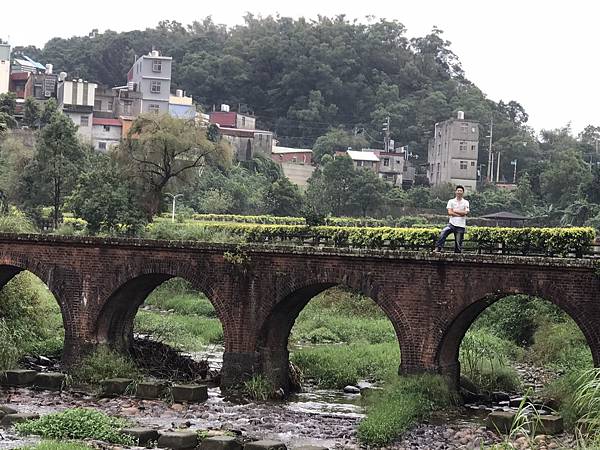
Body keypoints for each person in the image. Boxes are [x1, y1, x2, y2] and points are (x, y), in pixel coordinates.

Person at [434, 185, 470, 253]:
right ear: (455, 192)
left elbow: (465, 212)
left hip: (460, 226)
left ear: (463, 192)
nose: (459, 192)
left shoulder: (466, 202)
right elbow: (450, 212)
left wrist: (455, 211)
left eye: (461, 191)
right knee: (443, 232)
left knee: (458, 244)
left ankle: (457, 257)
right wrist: (460, 214)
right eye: (458, 191)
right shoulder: (451, 201)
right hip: (451, 224)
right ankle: (438, 248)